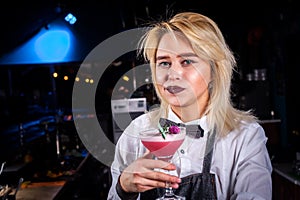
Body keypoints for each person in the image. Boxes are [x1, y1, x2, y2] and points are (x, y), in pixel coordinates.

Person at [107, 11, 272, 200]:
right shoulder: (136, 132)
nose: (173, 74)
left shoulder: (245, 136)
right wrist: (123, 188)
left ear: (214, 70)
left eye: (186, 61)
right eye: (164, 63)